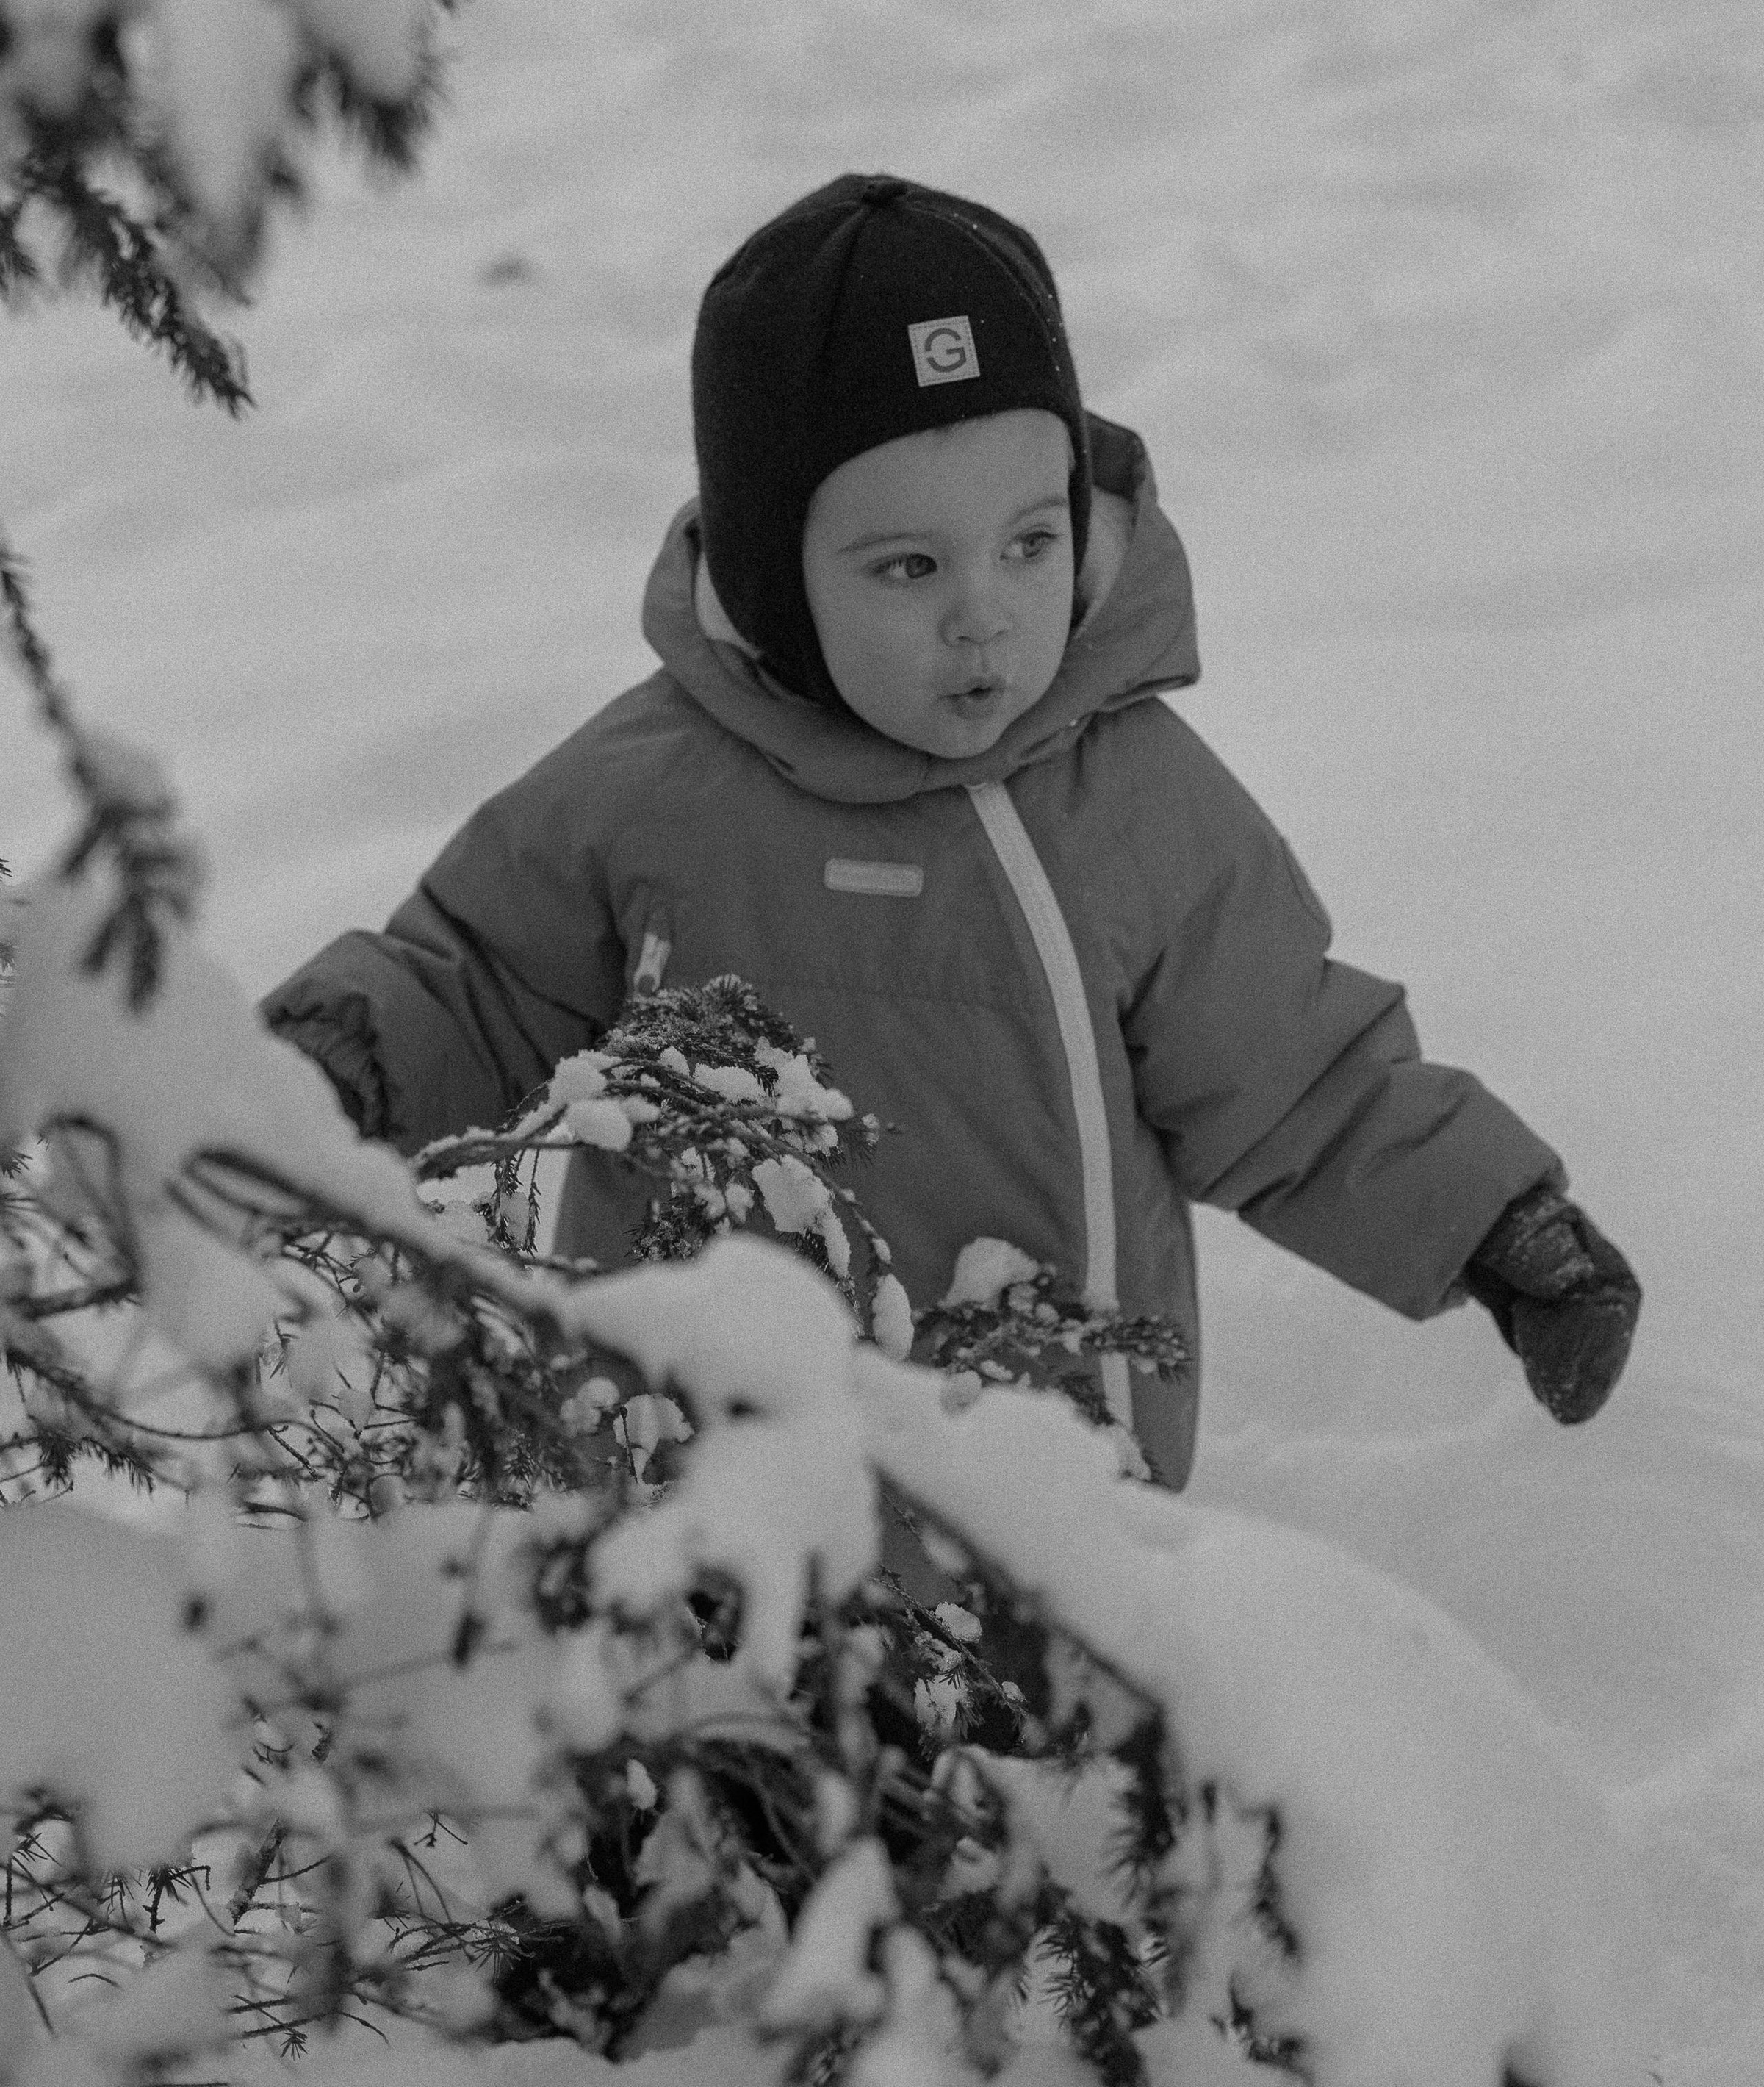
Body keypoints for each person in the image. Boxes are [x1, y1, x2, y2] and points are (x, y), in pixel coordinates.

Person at [264, 171, 1641, 1489]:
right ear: (772, 573)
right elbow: (478, 984)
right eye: (910, 567)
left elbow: (1296, 1078)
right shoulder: (650, 796)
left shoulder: (1132, 803)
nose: (984, 614)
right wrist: (336, 1061)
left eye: (1030, 545)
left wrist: (1495, 1226)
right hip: (710, 1495)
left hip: (1058, 1502)